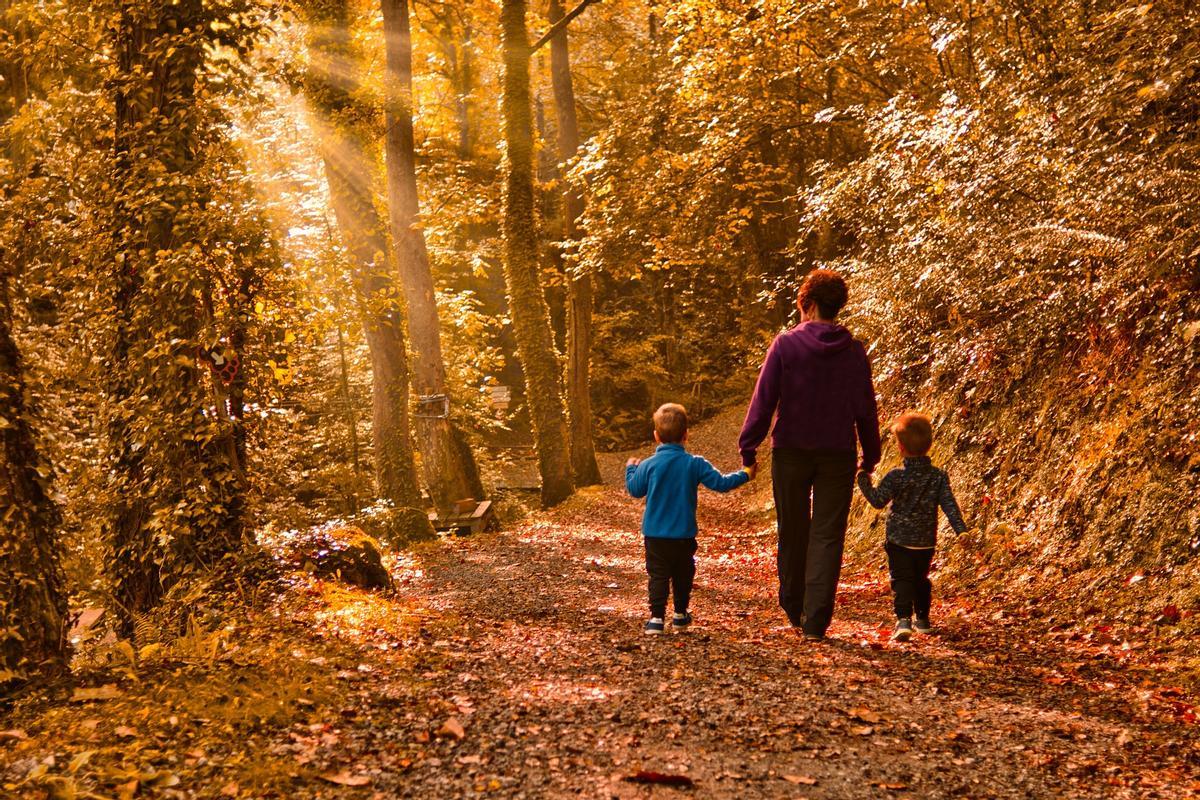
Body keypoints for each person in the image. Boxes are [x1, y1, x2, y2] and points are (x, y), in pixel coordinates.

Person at [739, 269, 881, 640]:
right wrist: (871, 453)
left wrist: (748, 448)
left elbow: (764, 399)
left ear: (810, 304)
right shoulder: (853, 351)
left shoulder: (785, 345)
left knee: (793, 528)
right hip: (838, 452)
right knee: (828, 535)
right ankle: (816, 620)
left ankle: (793, 604)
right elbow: (865, 406)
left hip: (791, 451)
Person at [626, 403, 754, 635]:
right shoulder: (694, 464)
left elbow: (635, 490)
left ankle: (655, 619)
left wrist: (630, 470)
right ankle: (680, 615)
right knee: (683, 573)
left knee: (658, 575)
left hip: (654, 534)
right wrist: (745, 474)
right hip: (683, 535)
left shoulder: (648, 464)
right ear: (686, 434)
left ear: (656, 436)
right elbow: (721, 483)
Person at [857, 412, 970, 642]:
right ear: (929, 445)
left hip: (899, 540)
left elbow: (878, 500)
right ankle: (923, 619)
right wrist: (961, 530)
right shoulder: (938, 476)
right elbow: (950, 505)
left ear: (900, 447)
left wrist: (862, 480)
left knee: (901, 579)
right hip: (925, 542)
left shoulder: (896, 477)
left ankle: (903, 620)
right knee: (921, 578)